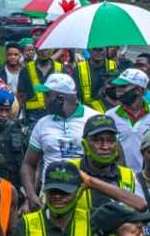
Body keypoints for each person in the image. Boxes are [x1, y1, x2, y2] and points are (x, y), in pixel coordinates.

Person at [21, 73, 100, 210]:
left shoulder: (94, 120)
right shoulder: (43, 124)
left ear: (60, 98)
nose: (44, 100)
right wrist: (31, 196)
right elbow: (28, 164)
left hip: (86, 196)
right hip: (51, 196)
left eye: (47, 96)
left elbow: (115, 158)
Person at [69, 116, 148, 215]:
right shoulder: (70, 170)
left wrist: (91, 182)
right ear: (85, 145)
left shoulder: (128, 175)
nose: (105, 146)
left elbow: (142, 206)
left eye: (110, 140)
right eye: (97, 140)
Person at [107, 68, 150, 171]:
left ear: (139, 90)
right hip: (119, 176)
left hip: (148, 176)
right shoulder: (110, 116)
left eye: (123, 86)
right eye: (117, 87)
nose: (118, 91)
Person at [17, 47, 65, 124]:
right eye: (41, 49)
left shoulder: (60, 69)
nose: (44, 51)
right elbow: (20, 95)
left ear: (51, 49)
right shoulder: (26, 69)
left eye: (46, 48)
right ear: (35, 49)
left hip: (55, 118)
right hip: (32, 118)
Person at [72, 46, 119, 112]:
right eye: (94, 49)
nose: (98, 52)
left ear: (106, 51)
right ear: (89, 51)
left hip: (111, 110)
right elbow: (74, 95)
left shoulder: (114, 66)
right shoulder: (78, 69)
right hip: (87, 111)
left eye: (100, 49)